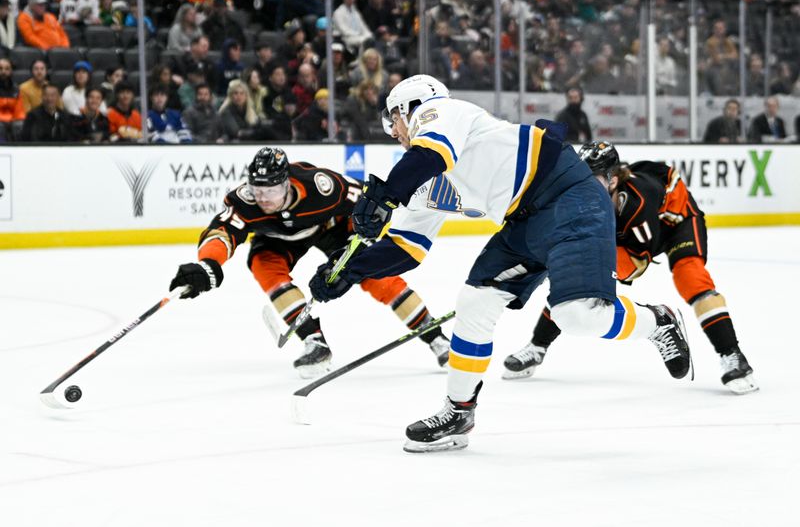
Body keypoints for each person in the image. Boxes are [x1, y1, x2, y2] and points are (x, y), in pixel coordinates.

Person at [307, 74, 692, 453]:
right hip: (523, 220)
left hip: (570, 195)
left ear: (408, 107)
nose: (393, 131)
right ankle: (458, 412)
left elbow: (429, 156)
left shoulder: (438, 111)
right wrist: (351, 271)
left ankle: (657, 321)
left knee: (578, 316)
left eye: (392, 119)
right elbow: (407, 249)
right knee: (475, 302)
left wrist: (385, 196)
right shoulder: (421, 175)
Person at [168, 147, 450, 378]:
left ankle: (436, 338)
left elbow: (367, 203)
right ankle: (314, 342)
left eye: (271, 191)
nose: (263, 198)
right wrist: (208, 264)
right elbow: (222, 231)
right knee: (262, 264)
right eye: (257, 190)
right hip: (277, 238)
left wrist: (359, 245)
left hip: (331, 227)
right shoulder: (245, 201)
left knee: (374, 274)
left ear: (287, 183)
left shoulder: (320, 186)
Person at [503, 142, 757, 395]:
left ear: (613, 181)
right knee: (575, 276)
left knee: (691, 278)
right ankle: (537, 347)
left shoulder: (636, 202)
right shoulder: (590, 198)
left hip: (677, 223)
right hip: (639, 229)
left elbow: (636, 265)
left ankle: (733, 356)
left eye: (592, 179)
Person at [0, 57, 25, 141]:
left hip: (12, 120)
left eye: (7, 69)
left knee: (19, 125)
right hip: (1, 121)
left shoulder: (16, 89)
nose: (3, 72)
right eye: (0, 68)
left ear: (11, 71)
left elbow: (19, 111)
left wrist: (13, 120)